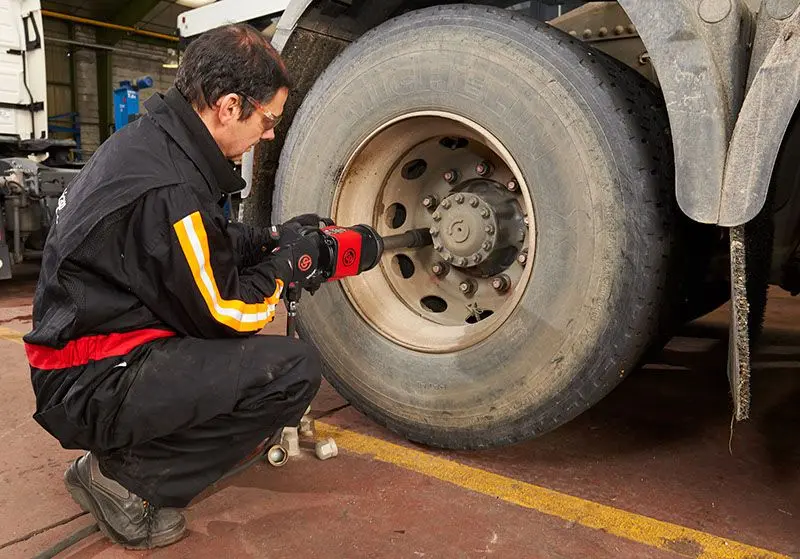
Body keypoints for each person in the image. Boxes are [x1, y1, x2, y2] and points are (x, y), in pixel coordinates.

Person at [23, 24, 323, 549]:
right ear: (229, 106)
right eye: (268, 119)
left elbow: (211, 242)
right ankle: (125, 481)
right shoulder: (172, 187)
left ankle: (122, 456)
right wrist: (289, 267)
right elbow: (226, 312)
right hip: (88, 382)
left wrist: (273, 237)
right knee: (291, 372)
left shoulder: (158, 145)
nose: (270, 133)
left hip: (88, 354)